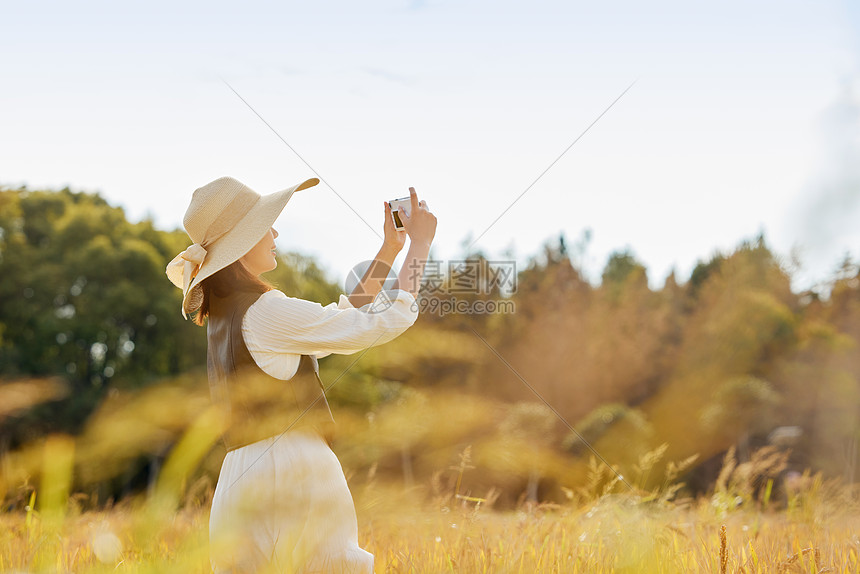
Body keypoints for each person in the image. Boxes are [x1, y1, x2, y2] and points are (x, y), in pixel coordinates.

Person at [165, 176, 436, 573]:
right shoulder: (266, 310)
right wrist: (421, 247)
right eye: (265, 224)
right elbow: (375, 322)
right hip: (292, 467)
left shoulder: (226, 315)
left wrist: (390, 249)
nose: (274, 231)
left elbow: (336, 320)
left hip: (237, 478)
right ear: (242, 242)